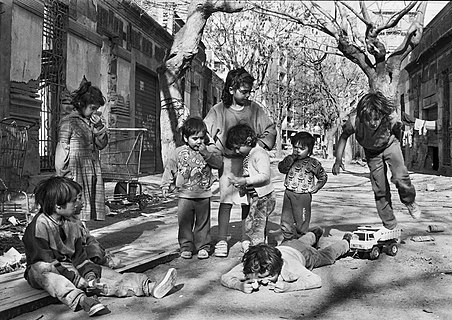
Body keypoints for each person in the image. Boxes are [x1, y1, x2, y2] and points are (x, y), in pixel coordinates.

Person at [23, 177, 177, 317]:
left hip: (70, 267)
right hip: (48, 269)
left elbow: (79, 257)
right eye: (74, 200)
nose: (79, 204)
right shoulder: (39, 227)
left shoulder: (73, 223)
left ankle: (148, 287)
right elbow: (47, 263)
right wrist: (76, 280)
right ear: (58, 206)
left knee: (104, 274)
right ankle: (83, 301)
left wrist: (89, 274)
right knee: (42, 271)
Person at [204, 67, 277, 257]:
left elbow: (270, 129)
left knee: (249, 202)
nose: (247, 95)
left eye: (249, 92)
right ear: (231, 89)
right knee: (226, 200)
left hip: (250, 164)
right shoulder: (218, 110)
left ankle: (246, 238)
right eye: (243, 91)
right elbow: (205, 133)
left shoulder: (254, 109)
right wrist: (214, 153)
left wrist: (256, 147)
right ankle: (221, 238)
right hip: (228, 163)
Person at [332, 91, 421, 231]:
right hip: (372, 153)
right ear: (362, 117)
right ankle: (390, 225)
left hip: (390, 145)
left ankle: (409, 201)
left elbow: (397, 132)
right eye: (369, 120)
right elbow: (343, 137)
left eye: (376, 119)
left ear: (382, 115)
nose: (373, 123)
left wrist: (397, 157)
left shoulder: (390, 116)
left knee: (400, 177)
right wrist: (338, 160)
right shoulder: (354, 121)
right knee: (380, 189)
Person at [161, 117, 222, 260]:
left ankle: (203, 246)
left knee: (203, 223)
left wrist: (206, 153)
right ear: (185, 137)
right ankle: (186, 246)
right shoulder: (178, 152)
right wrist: (165, 184)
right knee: (185, 223)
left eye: (201, 138)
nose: (199, 142)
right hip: (184, 196)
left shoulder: (208, 151)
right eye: (195, 138)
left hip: (203, 195)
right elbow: (170, 168)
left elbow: (218, 164)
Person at [220, 228, 351, 294]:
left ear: (278, 268)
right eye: (259, 278)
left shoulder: (290, 266)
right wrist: (239, 285)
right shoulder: (254, 264)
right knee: (302, 241)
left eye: (270, 277)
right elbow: (225, 277)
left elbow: (316, 280)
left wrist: (290, 287)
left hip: (304, 254)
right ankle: (314, 234)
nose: (263, 281)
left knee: (326, 256)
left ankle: (346, 243)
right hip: (289, 244)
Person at [55, 77, 108, 221]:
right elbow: (62, 148)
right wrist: (62, 175)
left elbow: (101, 145)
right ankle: (74, 239)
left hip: (90, 170)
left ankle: (82, 237)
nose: (95, 112)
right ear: (81, 104)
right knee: (73, 207)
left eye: (96, 109)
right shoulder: (69, 122)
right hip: (74, 171)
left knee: (85, 208)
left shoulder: (92, 122)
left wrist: (98, 128)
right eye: (92, 108)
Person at [226, 124, 276, 253]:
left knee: (256, 226)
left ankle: (259, 252)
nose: (237, 152)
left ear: (248, 141)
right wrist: (242, 185)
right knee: (252, 225)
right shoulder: (250, 155)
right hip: (256, 197)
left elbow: (264, 176)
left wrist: (246, 180)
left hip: (264, 197)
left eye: (238, 148)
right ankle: (259, 249)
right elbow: (249, 174)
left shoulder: (259, 153)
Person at [278, 132, 328, 242]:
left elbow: (323, 176)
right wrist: (288, 161)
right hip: (289, 193)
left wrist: (317, 186)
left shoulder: (313, 163)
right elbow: (281, 169)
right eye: (295, 147)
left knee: (301, 221)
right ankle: (287, 239)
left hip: (303, 196)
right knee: (286, 220)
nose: (297, 150)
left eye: (302, 148)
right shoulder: (290, 159)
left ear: (309, 150)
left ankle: (303, 240)